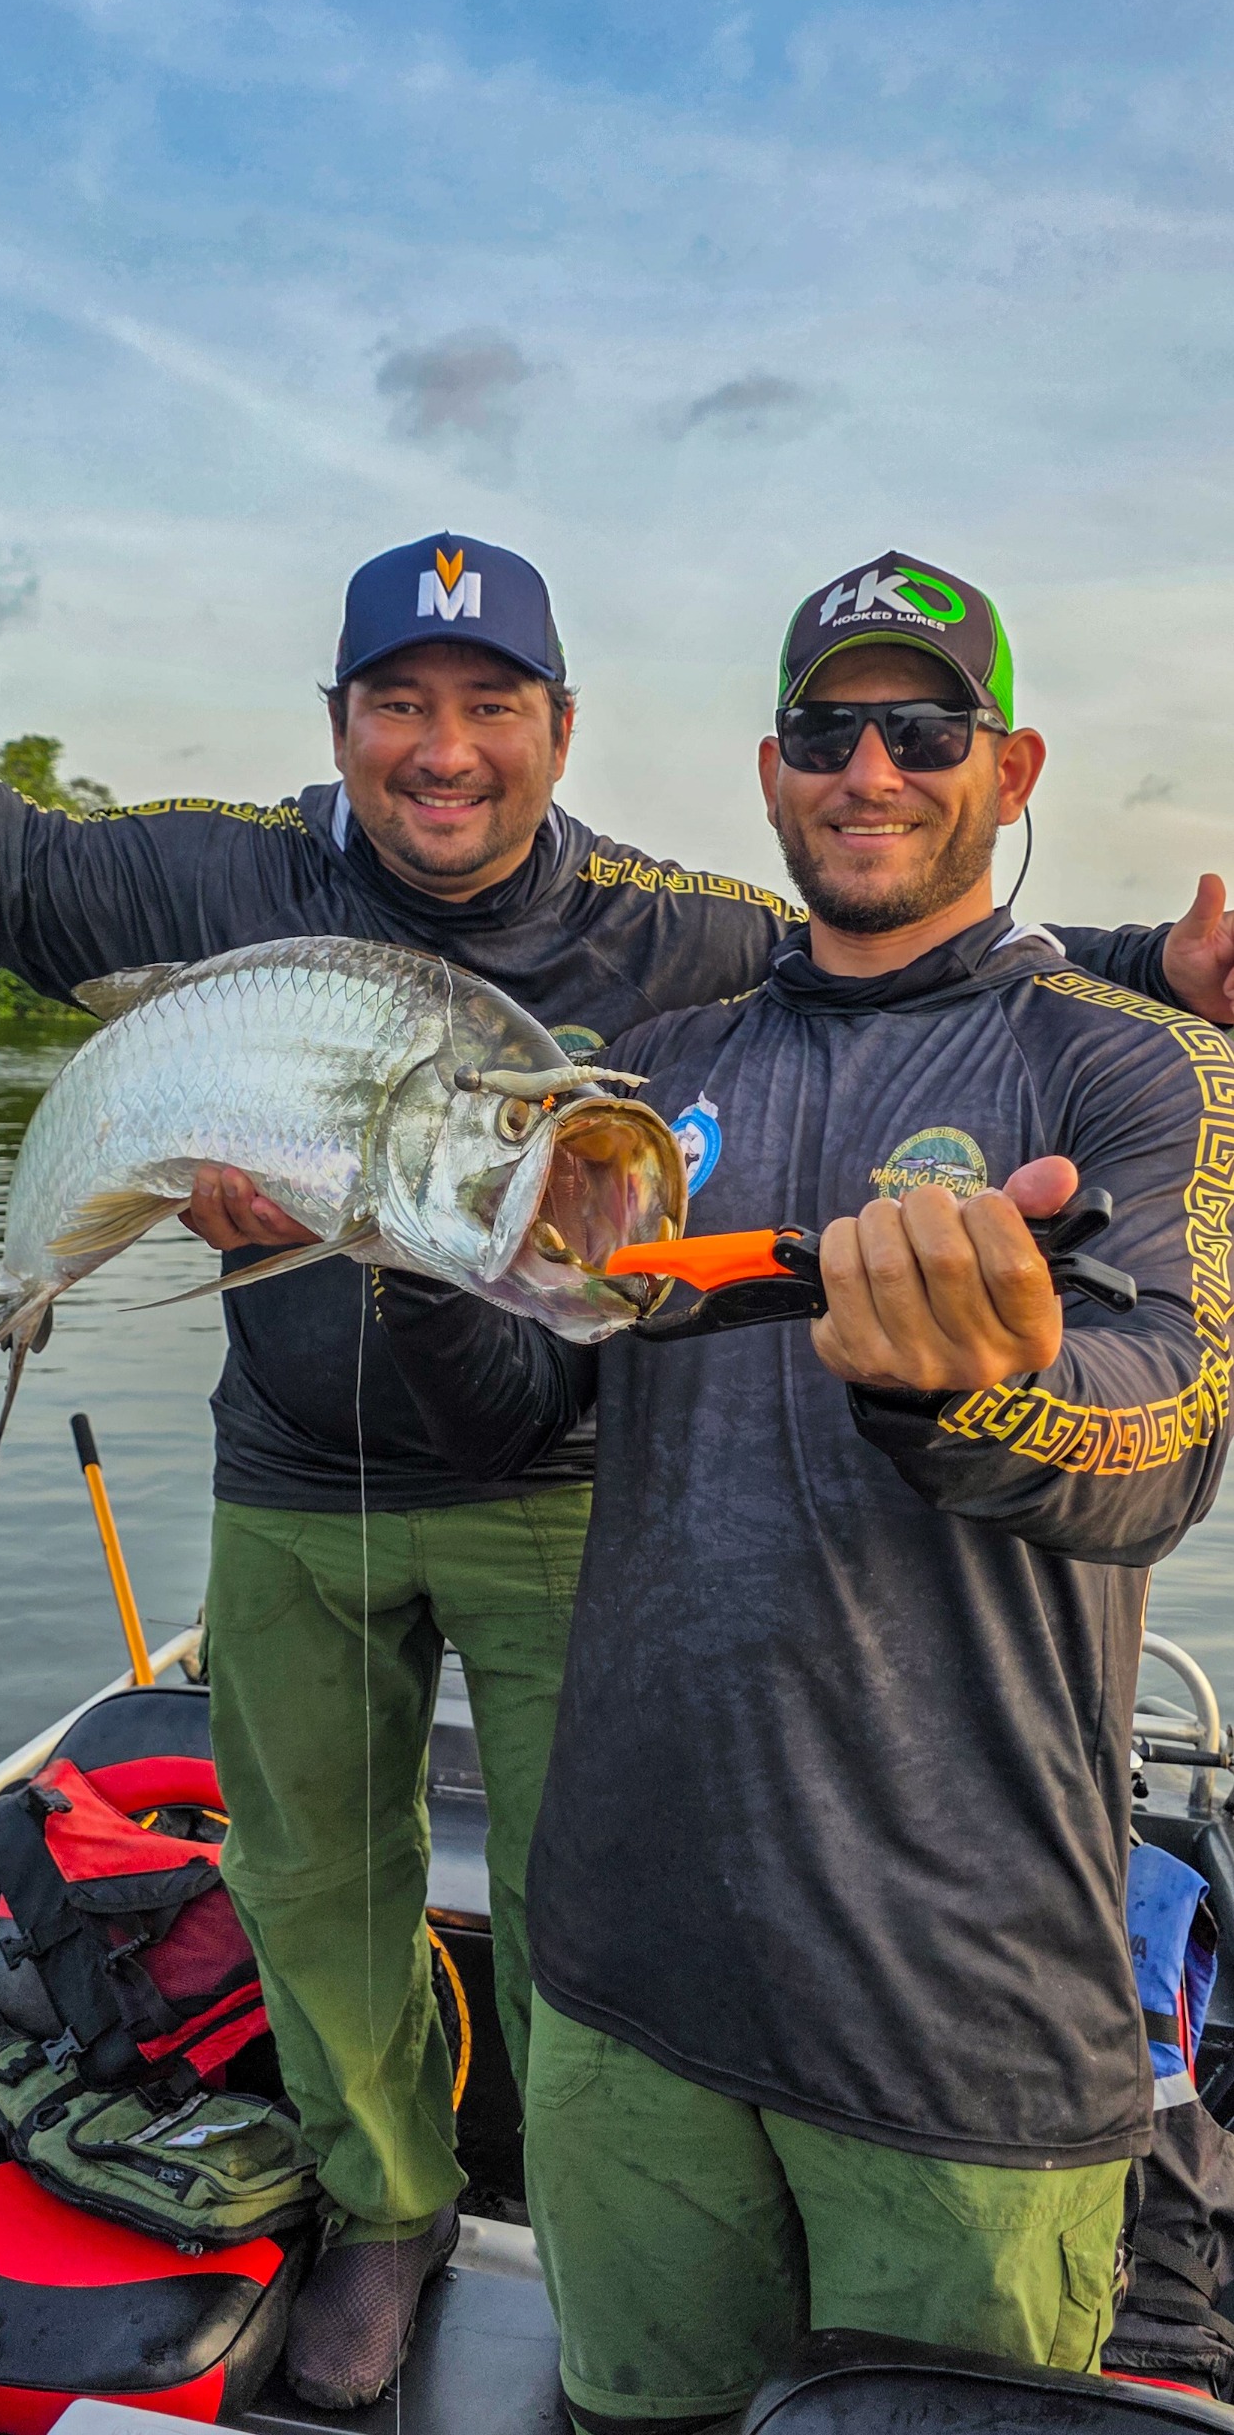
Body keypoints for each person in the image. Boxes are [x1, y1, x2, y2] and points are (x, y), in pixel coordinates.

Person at [0, 539, 1229, 2410]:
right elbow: (1, 868)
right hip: (306, 1473)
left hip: (615, 1544)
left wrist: (1151, 1004)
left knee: (579, 1859)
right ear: (336, 725)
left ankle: (566, 2137)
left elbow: (937, 982)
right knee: (315, 1868)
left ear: (559, 729)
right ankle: (392, 2200)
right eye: (397, 705)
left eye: (489, 704)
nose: (443, 747)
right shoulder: (278, 896)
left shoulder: (706, 958)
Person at [375, 551, 1234, 2428]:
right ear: (769, 775)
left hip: (961, 2019)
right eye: (825, 732)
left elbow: (1165, 1433)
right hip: (620, 1979)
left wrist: (982, 1392)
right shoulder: (651, 1076)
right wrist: (403, 1259)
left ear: (1009, 772)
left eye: (922, 730)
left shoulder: (1136, 1071)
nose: (871, 770)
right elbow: (513, 1404)